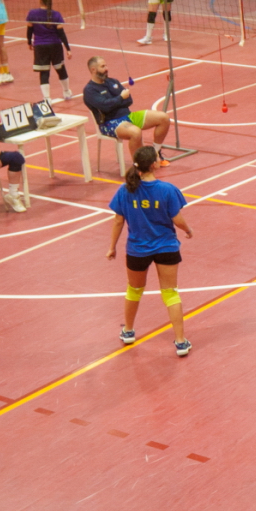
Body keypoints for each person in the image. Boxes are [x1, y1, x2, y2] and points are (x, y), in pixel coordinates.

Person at [107, 146, 193, 357]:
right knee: (170, 293)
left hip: (137, 249)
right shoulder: (167, 190)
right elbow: (176, 218)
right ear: (154, 164)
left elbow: (118, 221)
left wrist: (112, 247)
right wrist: (187, 230)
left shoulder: (125, 190)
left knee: (134, 290)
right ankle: (181, 342)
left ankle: (128, 331)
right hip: (166, 247)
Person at [83, 56, 171, 164]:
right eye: (103, 66)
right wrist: (120, 98)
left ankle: (155, 154)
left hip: (128, 116)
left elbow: (129, 100)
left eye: (106, 65)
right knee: (135, 132)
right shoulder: (90, 90)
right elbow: (105, 106)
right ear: (93, 70)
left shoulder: (113, 81)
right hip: (109, 123)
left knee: (163, 118)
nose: (106, 68)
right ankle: (139, 166)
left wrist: (115, 102)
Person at [25, 0, 73, 103]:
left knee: (44, 72)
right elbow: (61, 33)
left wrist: (29, 42)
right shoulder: (56, 15)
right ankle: (66, 92)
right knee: (60, 69)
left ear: (40, 0)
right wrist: (68, 48)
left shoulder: (32, 13)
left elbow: (29, 29)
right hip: (55, 45)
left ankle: (47, 99)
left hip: (40, 46)